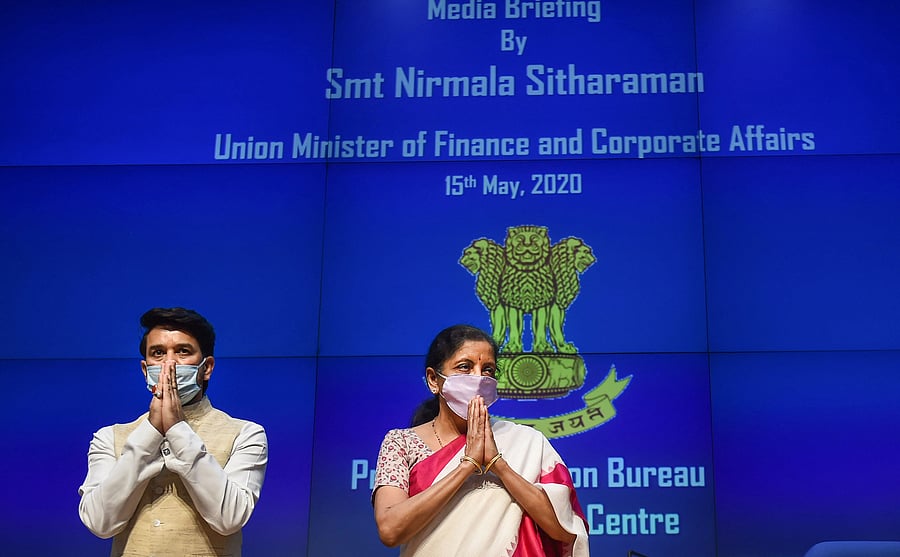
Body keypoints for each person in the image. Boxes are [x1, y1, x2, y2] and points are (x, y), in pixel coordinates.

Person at [373, 324, 590, 556]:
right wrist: (468, 465)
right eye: (465, 367)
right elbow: (390, 529)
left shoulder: (526, 441)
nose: (478, 378)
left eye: (488, 369)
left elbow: (565, 531)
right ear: (433, 380)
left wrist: (499, 464)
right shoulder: (401, 443)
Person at [78, 307, 268, 557]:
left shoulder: (245, 434)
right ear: (146, 370)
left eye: (182, 351)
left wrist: (178, 429)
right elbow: (100, 523)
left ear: (206, 367)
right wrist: (151, 432)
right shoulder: (108, 437)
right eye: (158, 353)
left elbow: (229, 518)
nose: (169, 363)